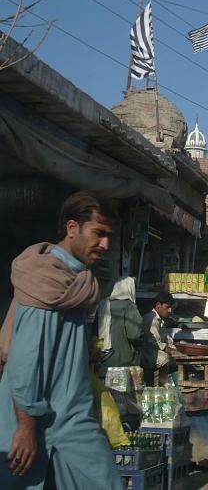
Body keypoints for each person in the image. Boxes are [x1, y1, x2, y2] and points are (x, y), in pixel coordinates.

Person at [0, 191, 123, 489]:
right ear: (72, 228)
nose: (105, 245)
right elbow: (24, 359)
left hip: (69, 417)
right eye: (99, 233)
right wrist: (26, 428)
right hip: (41, 421)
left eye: (109, 236)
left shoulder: (76, 283)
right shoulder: (49, 282)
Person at [96, 276, 143, 375]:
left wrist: (99, 349)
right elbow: (134, 334)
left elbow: (96, 332)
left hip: (103, 358)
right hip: (122, 360)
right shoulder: (129, 306)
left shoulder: (103, 304)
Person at [141, 291, 177, 386]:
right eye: (167, 307)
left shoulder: (161, 320)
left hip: (154, 352)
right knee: (165, 358)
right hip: (147, 354)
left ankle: (166, 381)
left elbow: (167, 339)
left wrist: (175, 348)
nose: (170, 311)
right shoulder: (151, 319)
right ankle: (163, 382)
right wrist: (171, 351)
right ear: (158, 305)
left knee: (174, 359)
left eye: (171, 308)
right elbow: (157, 342)